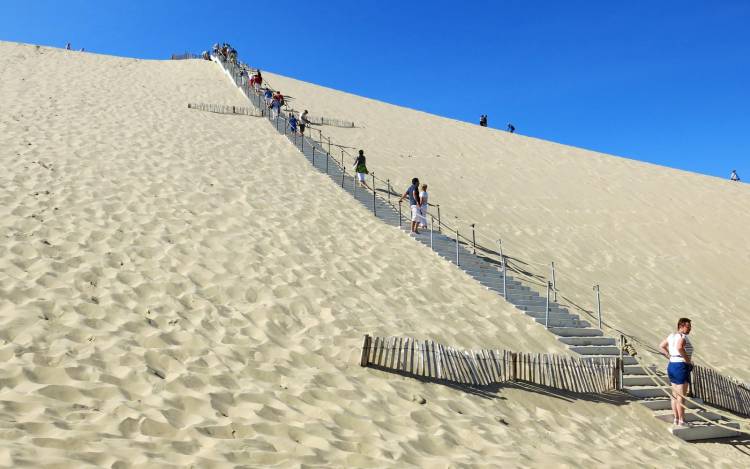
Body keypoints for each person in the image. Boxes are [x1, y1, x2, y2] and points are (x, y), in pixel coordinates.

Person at [658, 318, 694, 427]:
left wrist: (670, 356)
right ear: (681, 326)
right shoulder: (682, 337)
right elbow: (679, 347)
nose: (690, 329)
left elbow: (661, 346)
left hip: (672, 365)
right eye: (688, 326)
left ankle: (676, 419)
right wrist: (687, 360)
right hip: (681, 366)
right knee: (681, 396)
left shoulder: (671, 335)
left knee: (674, 395)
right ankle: (682, 421)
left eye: (690, 326)